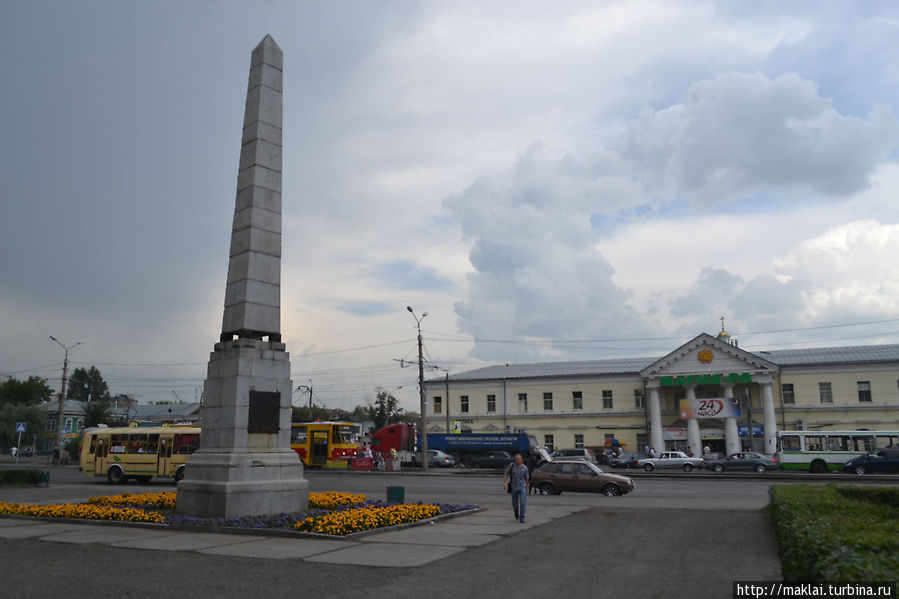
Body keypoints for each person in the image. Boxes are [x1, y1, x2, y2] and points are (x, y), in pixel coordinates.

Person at [503, 453, 530, 523]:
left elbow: (527, 479)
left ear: (522, 460)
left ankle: (522, 517)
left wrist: (527, 488)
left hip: (522, 487)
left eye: (518, 459)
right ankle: (516, 513)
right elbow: (506, 473)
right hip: (514, 487)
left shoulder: (525, 468)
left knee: (522, 502)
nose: (517, 460)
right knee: (515, 503)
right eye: (516, 459)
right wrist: (505, 483)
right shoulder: (512, 466)